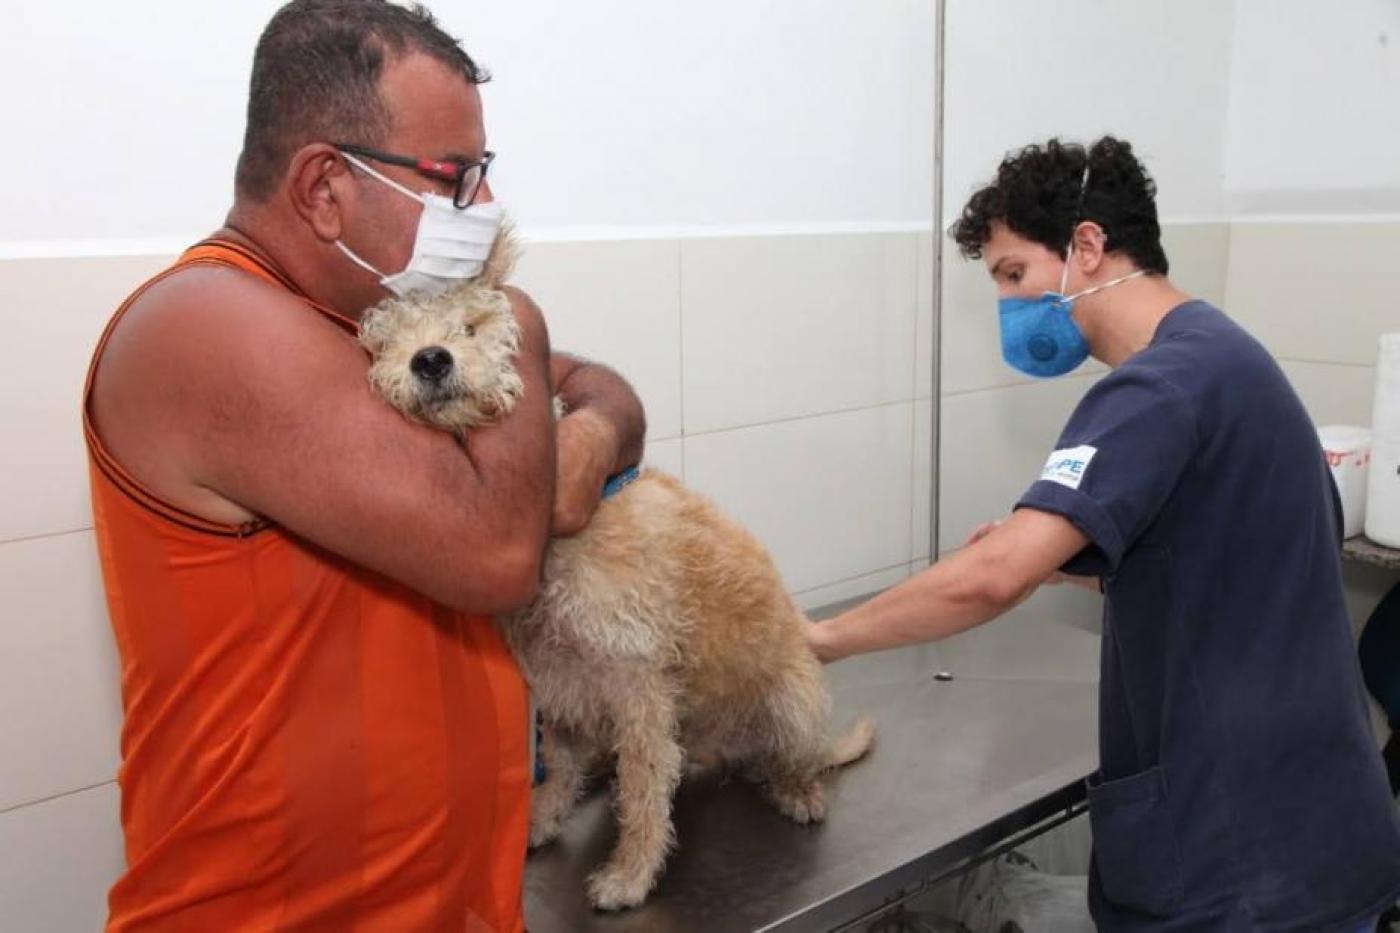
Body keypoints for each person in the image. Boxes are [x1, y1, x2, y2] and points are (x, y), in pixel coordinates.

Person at [82, 1, 644, 929]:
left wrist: (582, 438)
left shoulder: (364, 324)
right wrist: (514, 311)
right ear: (322, 187)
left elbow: (609, 395)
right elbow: (496, 553)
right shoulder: (206, 324)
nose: (485, 210)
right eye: (454, 178)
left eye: (484, 177)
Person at [807, 136, 1400, 931]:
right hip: (1321, 835)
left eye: (1015, 275)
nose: (1012, 310)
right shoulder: (1230, 356)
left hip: (1239, 861)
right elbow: (1235, 553)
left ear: (1087, 245)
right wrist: (1073, 564)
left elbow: (991, 578)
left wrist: (821, 637)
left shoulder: (1155, 387)